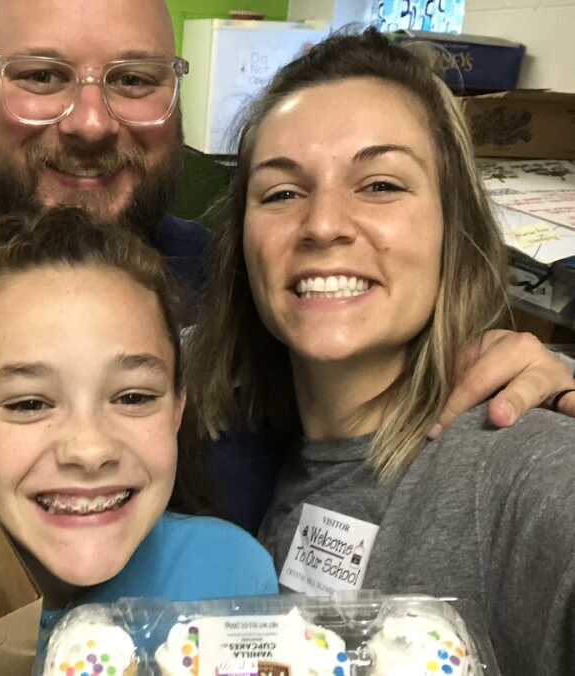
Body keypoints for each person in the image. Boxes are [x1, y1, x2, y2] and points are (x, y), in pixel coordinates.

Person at [0, 0, 575, 533]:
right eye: (41, 75)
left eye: (133, 78)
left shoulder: (251, 296)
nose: (91, 123)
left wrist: (552, 385)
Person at [188, 28, 575, 674]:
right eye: (283, 193)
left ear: (456, 227)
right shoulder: (234, 435)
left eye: (381, 185)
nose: (323, 224)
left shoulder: (524, 475)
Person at [0, 207, 278, 657]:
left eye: (133, 397)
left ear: (177, 407)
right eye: (29, 403)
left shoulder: (233, 575)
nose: (90, 449)